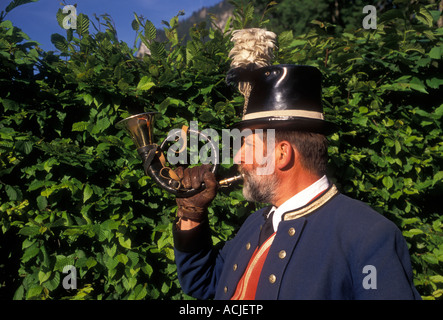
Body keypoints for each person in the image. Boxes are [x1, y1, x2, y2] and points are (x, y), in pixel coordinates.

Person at [172, 64, 421, 300]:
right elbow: (203, 282)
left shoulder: (368, 235)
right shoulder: (255, 223)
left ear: (282, 154)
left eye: (247, 145)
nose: (238, 158)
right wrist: (191, 214)